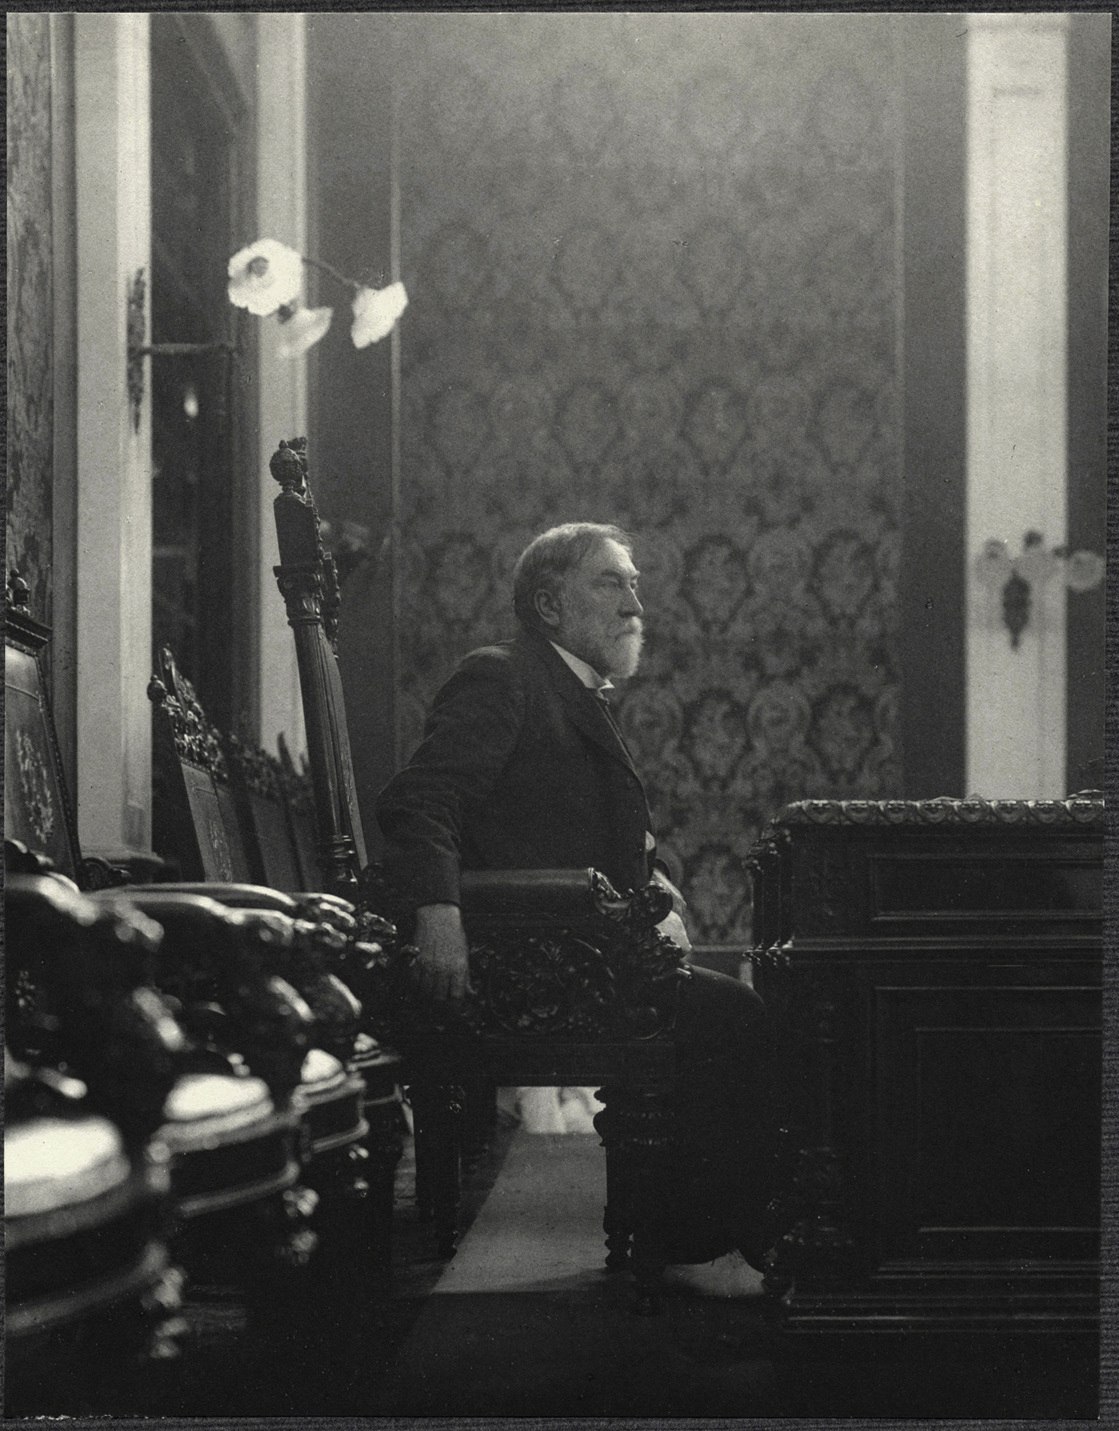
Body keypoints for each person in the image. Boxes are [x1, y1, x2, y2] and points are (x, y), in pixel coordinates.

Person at [375, 522, 775, 1295]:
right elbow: (421, 802)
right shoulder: (503, 676)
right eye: (610, 582)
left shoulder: (569, 691)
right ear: (549, 601)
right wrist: (438, 913)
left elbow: (580, 824)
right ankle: (710, 1232)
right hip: (526, 962)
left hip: (575, 951)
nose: (634, 602)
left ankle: (690, 1223)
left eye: (633, 583)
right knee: (741, 1021)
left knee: (733, 1009)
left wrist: (654, 883)